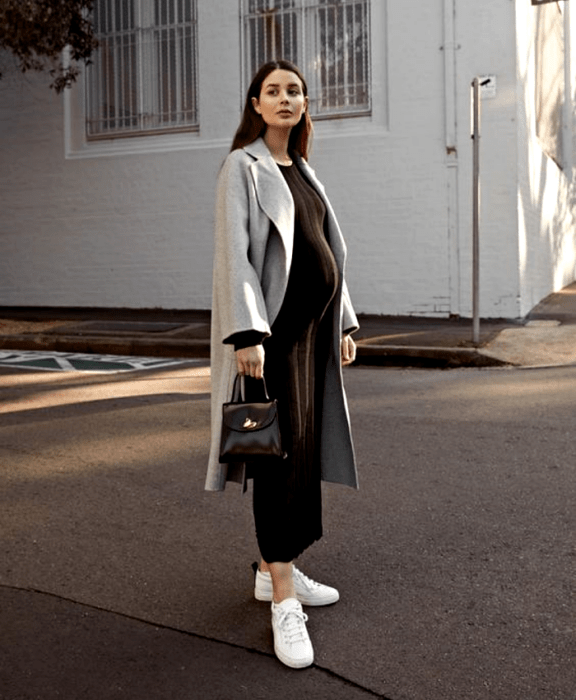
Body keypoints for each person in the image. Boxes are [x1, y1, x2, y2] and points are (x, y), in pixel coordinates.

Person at [205, 60, 359, 670]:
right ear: (256, 104)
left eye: (294, 90)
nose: (286, 98)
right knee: (277, 462)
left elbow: (329, 253)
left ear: (303, 104)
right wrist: (246, 331)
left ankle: (276, 570)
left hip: (312, 338)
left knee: (303, 454)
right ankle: (284, 601)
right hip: (269, 339)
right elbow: (233, 253)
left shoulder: (306, 173)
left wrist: (343, 318)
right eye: (274, 91)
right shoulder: (242, 167)